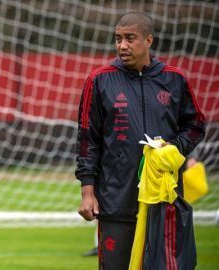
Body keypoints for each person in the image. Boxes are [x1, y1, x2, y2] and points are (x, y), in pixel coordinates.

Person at [75, 11, 205, 270]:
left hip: (163, 202)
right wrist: (88, 192)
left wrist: (173, 148)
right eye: (118, 38)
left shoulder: (174, 79)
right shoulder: (99, 80)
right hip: (115, 203)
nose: (122, 45)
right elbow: (88, 140)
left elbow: (195, 126)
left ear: (148, 40)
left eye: (130, 38)